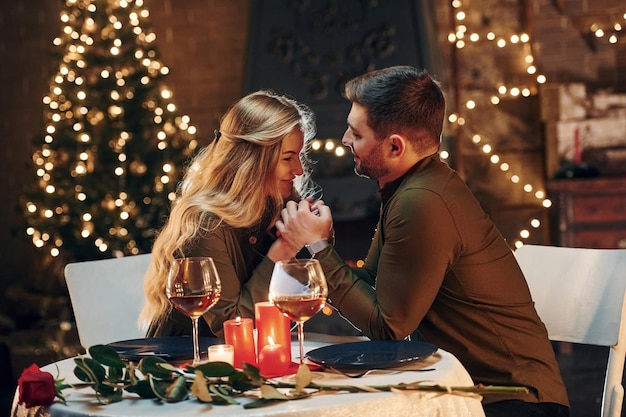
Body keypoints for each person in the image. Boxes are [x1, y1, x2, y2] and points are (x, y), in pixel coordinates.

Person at [275, 66, 570, 416]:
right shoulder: (410, 187)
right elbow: (372, 285)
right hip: (470, 393)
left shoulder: (423, 200)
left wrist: (319, 249)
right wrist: (322, 244)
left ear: (395, 146)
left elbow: (388, 327)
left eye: (356, 133)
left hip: (515, 401)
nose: (344, 140)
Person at [138, 90, 330, 339]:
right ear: (253, 162)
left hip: (245, 361)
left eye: (299, 156)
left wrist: (319, 239)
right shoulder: (205, 224)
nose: (299, 170)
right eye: (288, 158)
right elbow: (233, 325)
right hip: (186, 364)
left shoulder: (278, 207)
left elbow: (307, 295)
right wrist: (286, 247)